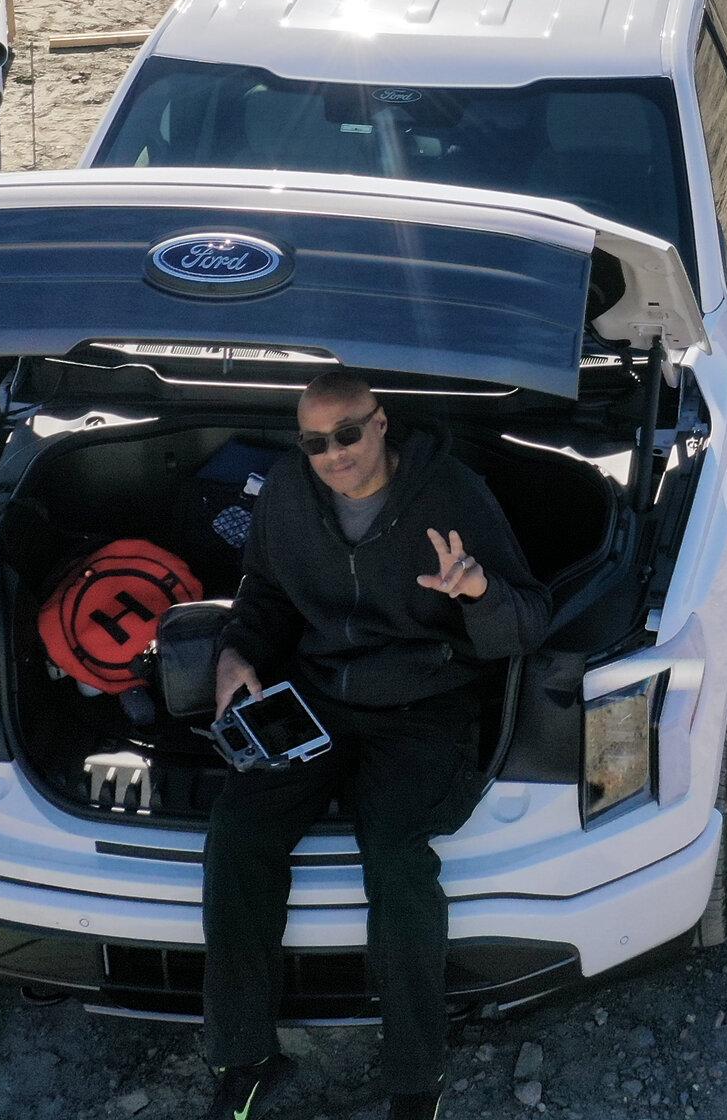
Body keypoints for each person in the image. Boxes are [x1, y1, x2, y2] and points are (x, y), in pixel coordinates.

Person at [201, 369, 550, 1120]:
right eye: (315, 442)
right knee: (236, 833)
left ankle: (413, 1083)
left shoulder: (451, 494)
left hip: (425, 708)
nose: (333, 454)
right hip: (319, 701)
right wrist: (236, 652)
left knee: (395, 859)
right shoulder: (291, 494)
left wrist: (479, 592)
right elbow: (263, 589)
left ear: (382, 422)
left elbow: (530, 621)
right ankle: (245, 1055)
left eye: (348, 434)